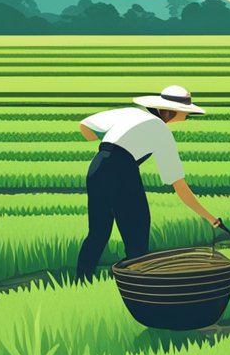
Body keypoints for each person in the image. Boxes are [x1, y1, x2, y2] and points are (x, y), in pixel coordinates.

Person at [75, 85, 221, 280]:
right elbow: (178, 185)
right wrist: (210, 218)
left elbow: (84, 126)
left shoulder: (130, 113)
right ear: (172, 112)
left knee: (98, 233)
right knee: (137, 233)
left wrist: (110, 148)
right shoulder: (162, 131)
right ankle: (136, 285)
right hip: (122, 171)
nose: (187, 116)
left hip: (97, 167)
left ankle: (81, 281)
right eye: (185, 112)